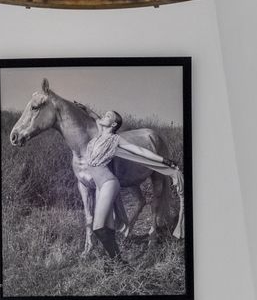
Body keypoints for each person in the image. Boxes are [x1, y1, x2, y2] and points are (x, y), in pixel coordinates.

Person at [77, 109, 182, 258]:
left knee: (99, 228)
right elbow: (96, 119)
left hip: (108, 183)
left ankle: (117, 261)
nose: (104, 116)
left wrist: (164, 160)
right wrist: (87, 110)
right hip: (100, 186)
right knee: (106, 227)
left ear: (113, 124)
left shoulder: (115, 139)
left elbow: (139, 150)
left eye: (108, 116)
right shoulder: (99, 135)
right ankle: (114, 261)